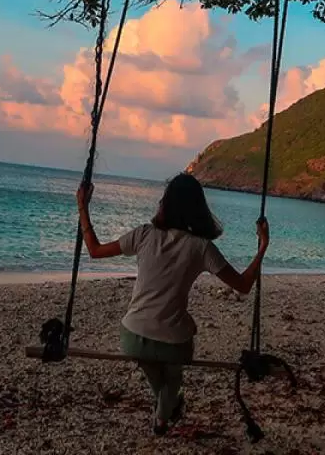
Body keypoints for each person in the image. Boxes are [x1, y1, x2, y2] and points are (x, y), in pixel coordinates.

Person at [75, 172, 270, 436]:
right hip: (174, 344)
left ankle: (165, 411)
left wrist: (82, 207)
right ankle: (163, 416)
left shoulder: (144, 234)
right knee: (173, 375)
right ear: (199, 209)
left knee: (155, 371)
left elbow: (94, 250)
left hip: (132, 336)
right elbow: (244, 285)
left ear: (165, 203)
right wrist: (262, 248)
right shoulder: (202, 248)